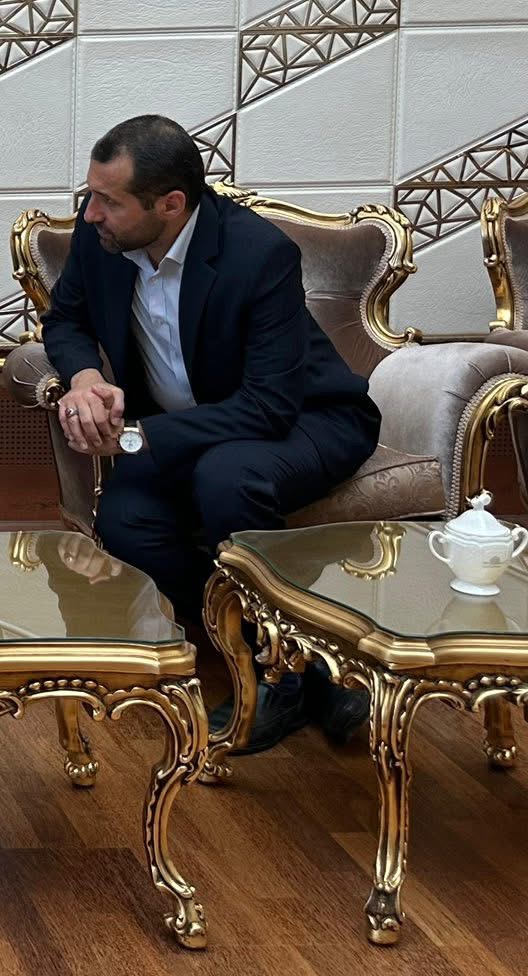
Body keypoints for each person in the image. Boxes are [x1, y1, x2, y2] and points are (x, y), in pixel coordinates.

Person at [43, 114, 379, 752]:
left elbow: (268, 407)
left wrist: (140, 436)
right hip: (194, 430)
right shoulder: (100, 238)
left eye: (109, 201)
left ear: (170, 205)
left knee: (226, 477)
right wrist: (84, 379)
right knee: (125, 518)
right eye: (90, 194)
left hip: (309, 418)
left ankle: (277, 682)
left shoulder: (258, 254)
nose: (90, 214)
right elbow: (66, 321)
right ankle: (304, 661)